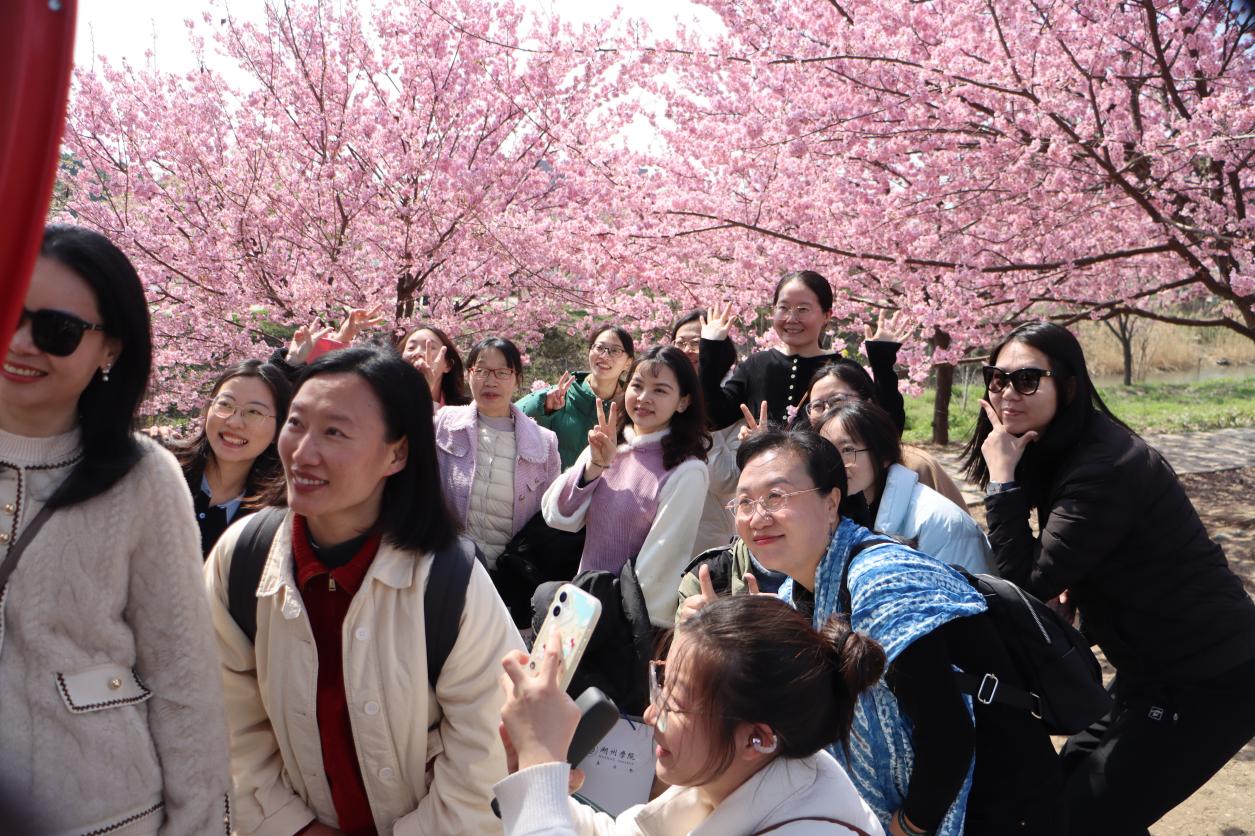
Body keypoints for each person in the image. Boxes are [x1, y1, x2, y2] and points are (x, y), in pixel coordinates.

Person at [205, 345, 524, 835]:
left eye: (334, 432)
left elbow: (485, 760)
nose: (302, 452)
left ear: (397, 453)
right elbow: (227, 724)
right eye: (296, 424)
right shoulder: (243, 558)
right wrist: (291, 827)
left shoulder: (449, 581)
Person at [963, 320, 1255, 832]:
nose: (1008, 393)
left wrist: (1003, 482)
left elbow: (1026, 582)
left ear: (1069, 385)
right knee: (1061, 795)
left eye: (1027, 379)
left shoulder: (1105, 466)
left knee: (1084, 818)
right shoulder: (1061, 446)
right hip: (1149, 670)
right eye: (998, 378)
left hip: (1210, 676)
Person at [0, 225, 230, 833]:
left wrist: (199, 823)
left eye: (57, 331)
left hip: (103, 811)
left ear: (109, 350)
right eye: (8, 311)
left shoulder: (144, 477)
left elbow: (182, 675)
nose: (21, 343)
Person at [723, 427, 1064, 835]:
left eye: (776, 497)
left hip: (998, 804)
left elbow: (948, 732)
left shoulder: (881, 582)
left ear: (831, 503)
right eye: (744, 502)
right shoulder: (800, 592)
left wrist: (909, 825)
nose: (757, 517)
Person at [494, 594, 887, 835]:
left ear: (758, 739)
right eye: (661, 683)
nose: (651, 714)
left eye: (677, 702)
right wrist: (539, 781)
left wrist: (540, 765)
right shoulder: (735, 773)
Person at [541, 346, 709, 626]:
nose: (644, 398)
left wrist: (625, 620)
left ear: (683, 402)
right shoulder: (611, 446)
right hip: (580, 607)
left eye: (660, 390)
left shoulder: (687, 471)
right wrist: (595, 465)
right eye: (637, 386)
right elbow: (558, 516)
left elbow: (662, 562)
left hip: (625, 623)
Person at [698, 272, 905, 431]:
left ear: (827, 315)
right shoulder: (756, 365)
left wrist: (882, 362)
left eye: (803, 309)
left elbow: (890, 428)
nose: (791, 318)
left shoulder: (845, 370)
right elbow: (713, 418)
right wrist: (711, 347)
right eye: (783, 308)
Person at [817, 401, 993, 575]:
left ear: (884, 455)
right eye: (827, 451)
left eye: (848, 450)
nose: (834, 463)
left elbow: (966, 590)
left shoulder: (939, 521)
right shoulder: (839, 508)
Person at [434, 337, 561, 565]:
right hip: (448, 566)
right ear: (469, 375)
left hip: (506, 575)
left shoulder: (544, 443)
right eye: (481, 371)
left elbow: (550, 517)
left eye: (502, 372)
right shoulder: (444, 423)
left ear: (517, 380)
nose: (490, 381)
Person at [800, 361, 968, 509]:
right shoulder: (808, 468)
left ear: (868, 403)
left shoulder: (915, 465)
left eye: (837, 400)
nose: (828, 412)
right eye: (817, 406)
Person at [174, 360, 292, 556]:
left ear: (279, 429)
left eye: (254, 412)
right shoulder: (163, 470)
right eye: (225, 404)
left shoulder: (277, 513)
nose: (235, 422)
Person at [671, 309, 742, 552]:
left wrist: (700, 419)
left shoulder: (734, 401)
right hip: (662, 531)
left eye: (697, 343)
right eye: (680, 343)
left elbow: (726, 481)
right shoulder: (663, 395)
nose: (687, 350)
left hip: (710, 539)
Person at [517, 324, 635, 468]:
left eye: (615, 350)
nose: (604, 356)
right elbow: (512, 418)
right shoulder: (559, 396)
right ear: (589, 351)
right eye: (599, 348)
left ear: (628, 363)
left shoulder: (631, 408)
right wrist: (544, 407)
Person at [398, 323, 471, 407]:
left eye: (430, 347)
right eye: (411, 348)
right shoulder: (388, 403)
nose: (417, 353)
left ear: (448, 365)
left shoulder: (464, 411)